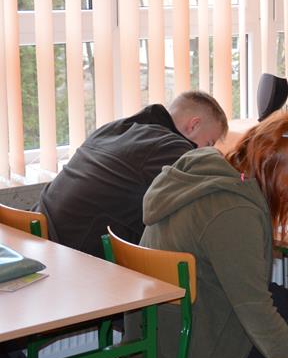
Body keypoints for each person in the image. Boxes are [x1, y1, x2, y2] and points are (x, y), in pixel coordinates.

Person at [131, 112, 288, 358]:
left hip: (156, 334)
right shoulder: (234, 213)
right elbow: (257, 314)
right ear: (281, 180)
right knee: (275, 327)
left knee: (283, 303)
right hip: (182, 352)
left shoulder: (204, 171)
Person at [36, 91, 228, 258]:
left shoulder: (114, 129)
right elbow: (216, 193)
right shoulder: (169, 146)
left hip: (38, 234)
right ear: (193, 125)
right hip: (72, 256)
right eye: (209, 143)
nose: (207, 151)